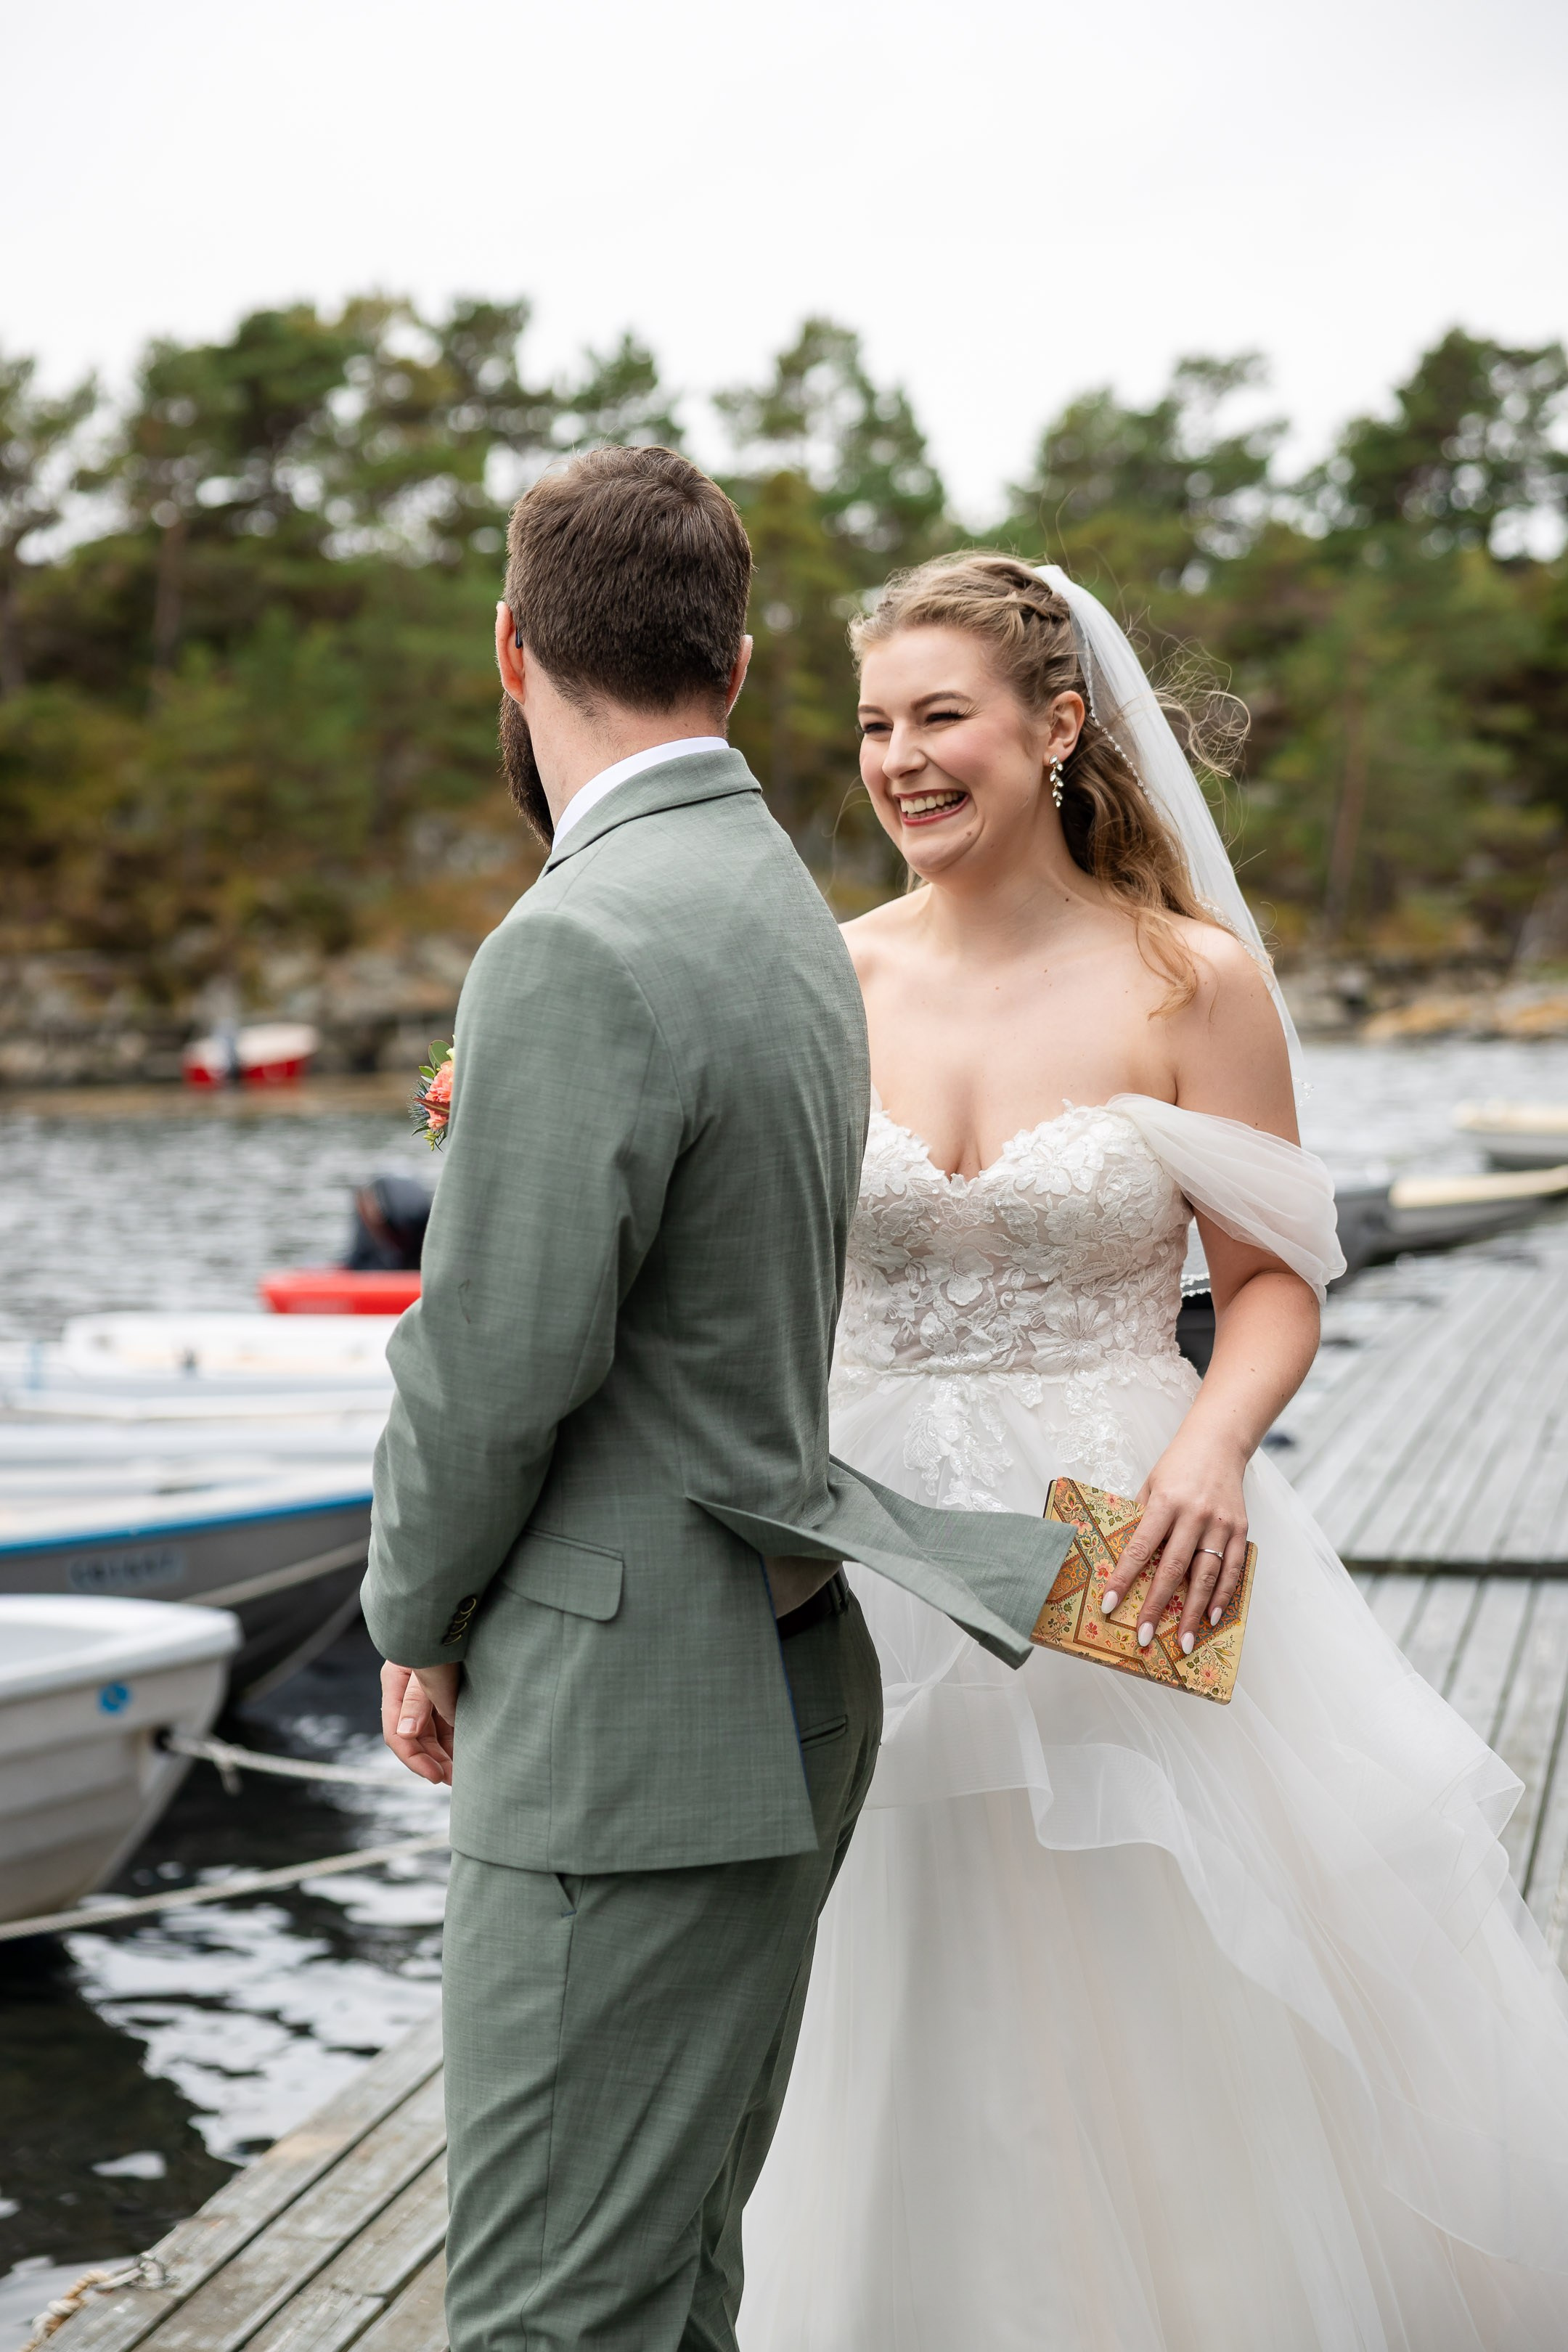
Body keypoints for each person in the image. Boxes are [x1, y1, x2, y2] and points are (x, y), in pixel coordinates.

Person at [740, 554, 1568, 2350]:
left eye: (939, 716)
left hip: (1129, 1531)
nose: (900, 760)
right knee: (891, 1971)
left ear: (1055, 726)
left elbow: (1271, 1286)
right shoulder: (815, 971)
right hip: (861, 1541)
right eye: (875, 724)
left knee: (1158, 1971)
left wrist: (1212, 1448)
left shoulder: (1192, 982)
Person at [362, 456, 1076, 2352]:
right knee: (669, 2278)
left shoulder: (581, 938)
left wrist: (412, 1617)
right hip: (781, 1659)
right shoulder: (781, 902)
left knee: (547, 2315)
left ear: (515, 649)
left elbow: (489, 1366)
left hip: (628, 1721)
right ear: (741, 668)